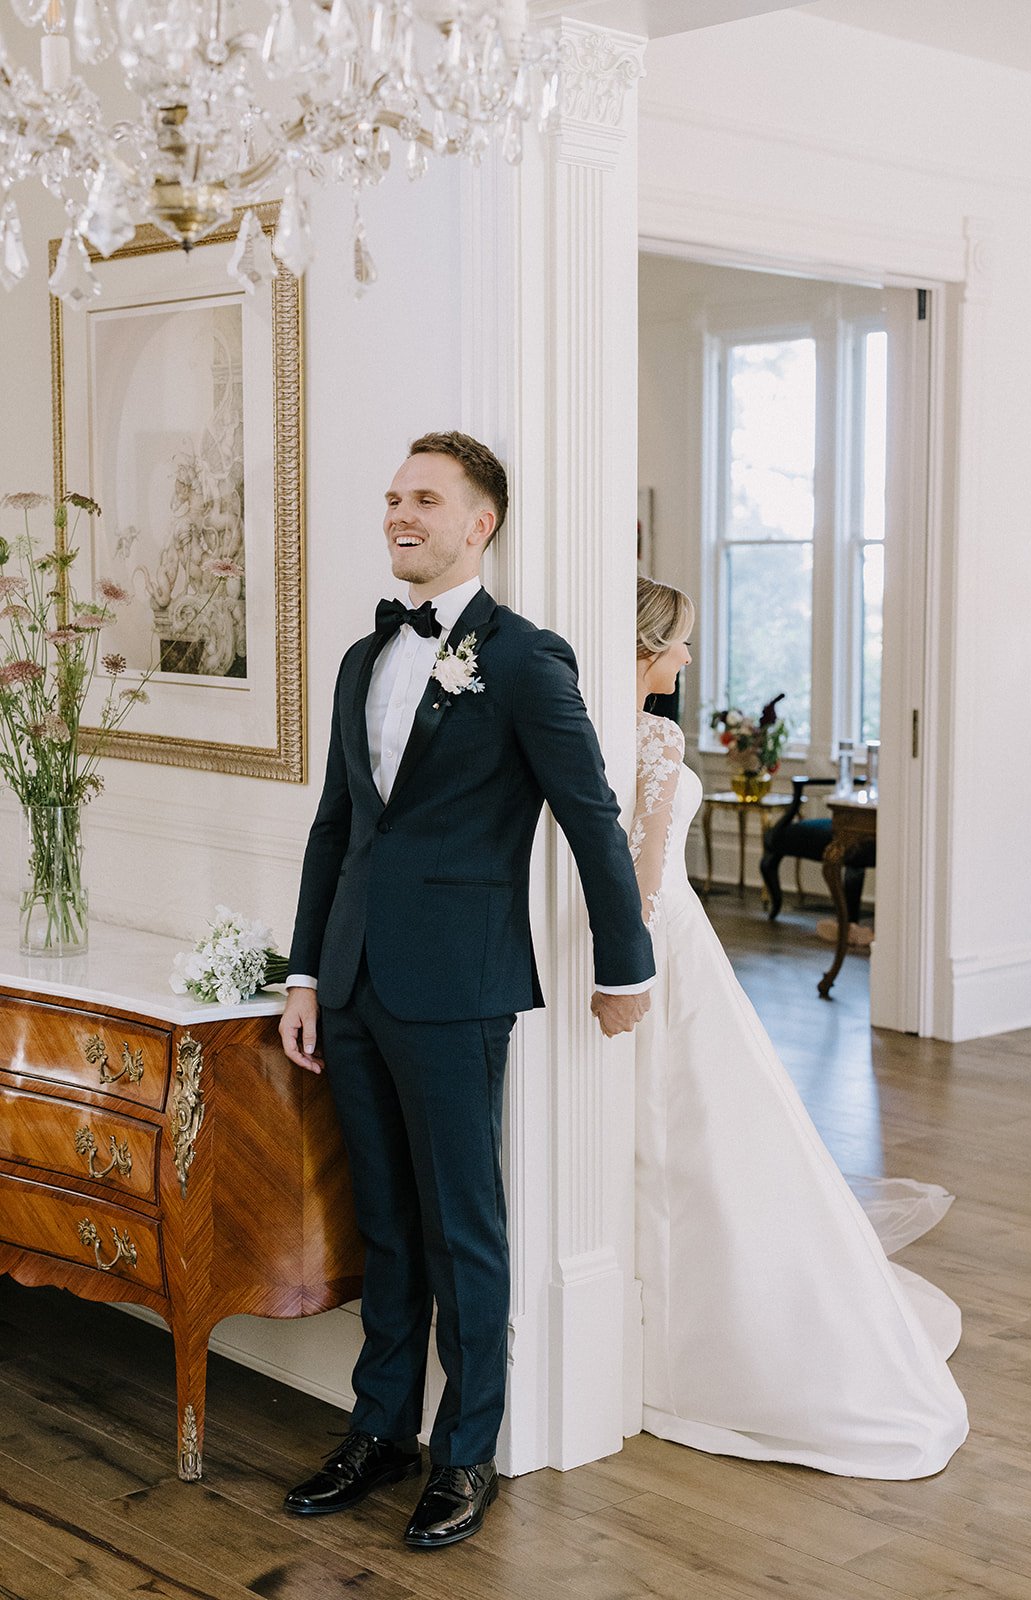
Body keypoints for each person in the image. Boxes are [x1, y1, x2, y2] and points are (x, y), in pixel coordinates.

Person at [278, 432, 654, 1548]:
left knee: (461, 1228)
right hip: (347, 981)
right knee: (384, 1223)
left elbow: (590, 816)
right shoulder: (362, 657)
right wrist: (305, 971)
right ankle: (378, 1428)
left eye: (424, 499)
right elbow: (336, 826)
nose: (400, 513)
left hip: (456, 985)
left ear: (477, 522)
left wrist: (621, 962)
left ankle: (464, 1449)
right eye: (393, 495)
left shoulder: (526, 659)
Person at [629, 575, 968, 1478]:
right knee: (698, 1132)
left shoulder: (573, 729)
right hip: (659, 946)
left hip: (627, 945)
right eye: (680, 643)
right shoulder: (652, 736)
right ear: (646, 648)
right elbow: (647, 877)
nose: (688, 659)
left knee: (664, 1136)